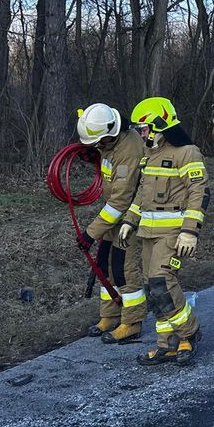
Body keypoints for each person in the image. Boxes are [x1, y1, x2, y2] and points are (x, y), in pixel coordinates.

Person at [119, 97, 207, 366]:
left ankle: (189, 334)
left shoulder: (187, 153)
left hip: (173, 234)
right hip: (148, 233)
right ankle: (166, 344)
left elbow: (198, 193)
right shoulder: (150, 156)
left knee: (162, 282)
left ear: (159, 125)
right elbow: (141, 196)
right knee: (152, 288)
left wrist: (190, 232)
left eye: (144, 129)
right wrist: (129, 221)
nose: (141, 134)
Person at [75, 103, 147, 344]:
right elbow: (108, 163)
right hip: (112, 215)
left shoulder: (129, 149)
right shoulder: (109, 143)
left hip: (128, 217)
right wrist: (93, 155)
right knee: (104, 266)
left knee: (122, 269)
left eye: (98, 143)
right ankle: (109, 315)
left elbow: (120, 201)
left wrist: (90, 233)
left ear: (109, 134)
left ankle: (132, 322)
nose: (97, 147)